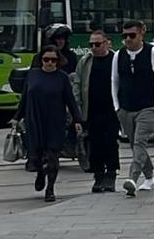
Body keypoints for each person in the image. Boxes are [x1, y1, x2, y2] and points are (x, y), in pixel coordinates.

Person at [13, 46, 84, 202]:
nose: (50, 63)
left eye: (53, 60)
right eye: (46, 59)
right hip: (34, 121)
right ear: (41, 60)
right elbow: (24, 98)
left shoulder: (62, 78)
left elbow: (70, 100)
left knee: (53, 157)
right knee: (35, 157)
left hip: (55, 122)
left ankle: (50, 189)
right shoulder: (32, 75)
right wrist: (16, 117)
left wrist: (77, 120)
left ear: (58, 61)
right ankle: (40, 172)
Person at [112, 20, 154, 197]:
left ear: (141, 34)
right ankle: (150, 176)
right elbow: (114, 81)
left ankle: (132, 179)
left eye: (132, 35)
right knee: (134, 145)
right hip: (125, 108)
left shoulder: (152, 52)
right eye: (125, 36)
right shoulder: (119, 55)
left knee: (139, 142)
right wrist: (117, 106)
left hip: (147, 107)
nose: (128, 39)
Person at [72, 30, 119, 193]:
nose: (94, 47)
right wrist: (77, 111)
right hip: (91, 109)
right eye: (91, 44)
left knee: (111, 142)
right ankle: (98, 177)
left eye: (97, 44)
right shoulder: (85, 62)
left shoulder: (116, 60)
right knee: (95, 143)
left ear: (107, 43)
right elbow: (77, 84)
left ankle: (111, 175)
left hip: (112, 110)